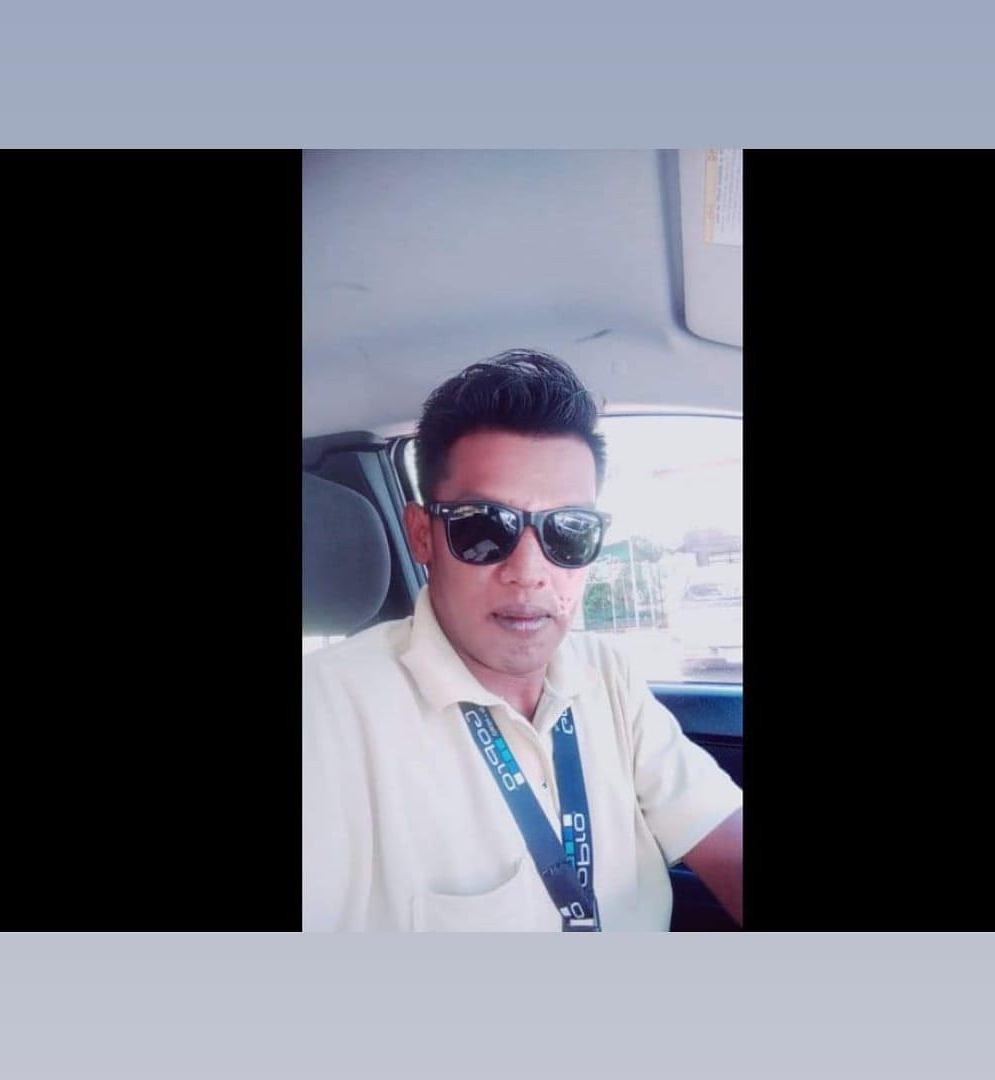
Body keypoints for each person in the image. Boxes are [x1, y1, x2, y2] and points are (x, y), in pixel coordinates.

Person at [302, 349, 743, 931]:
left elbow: (725, 838)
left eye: (570, 530)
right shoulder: (325, 713)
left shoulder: (606, 674)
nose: (530, 572)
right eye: (485, 527)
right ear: (422, 535)